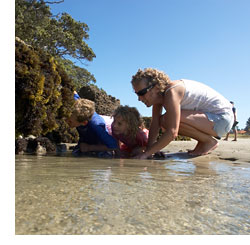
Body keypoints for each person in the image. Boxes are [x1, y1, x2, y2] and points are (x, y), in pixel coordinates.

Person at [131, 68, 234, 159]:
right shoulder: (159, 98)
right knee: (162, 120)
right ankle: (205, 142)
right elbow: (155, 124)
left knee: (167, 120)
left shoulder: (172, 91)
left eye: (141, 93)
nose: (139, 99)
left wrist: (146, 154)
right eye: (136, 94)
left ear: (156, 87)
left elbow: (172, 132)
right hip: (211, 120)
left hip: (223, 119)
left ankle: (208, 142)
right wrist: (150, 150)